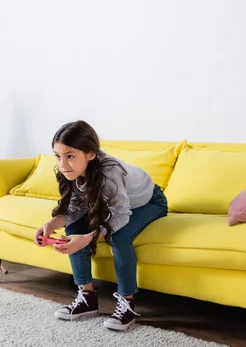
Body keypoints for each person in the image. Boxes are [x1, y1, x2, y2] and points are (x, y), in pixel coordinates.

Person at [34, 120, 168, 331]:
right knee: (73, 228)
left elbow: (120, 215)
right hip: (116, 205)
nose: (63, 163)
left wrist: (88, 238)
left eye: (70, 156)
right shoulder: (72, 170)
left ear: (91, 154)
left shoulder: (109, 172)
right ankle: (87, 297)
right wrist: (51, 224)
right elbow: (75, 207)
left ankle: (127, 302)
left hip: (150, 202)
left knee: (119, 235)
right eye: (58, 156)